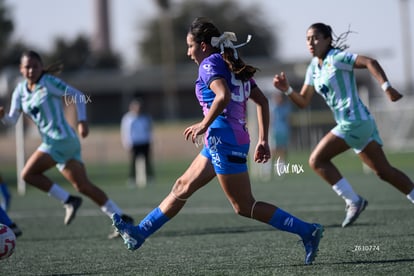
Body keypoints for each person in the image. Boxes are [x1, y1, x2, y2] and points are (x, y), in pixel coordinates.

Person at [112, 17, 323, 265]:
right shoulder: (229, 62)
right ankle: (139, 233)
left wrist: (203, 124)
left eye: (190, 46)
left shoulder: (209, 65)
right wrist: (262, 140)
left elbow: (222, 96)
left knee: (244, 206)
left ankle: (308, 231)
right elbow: (263, 101)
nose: (188, 52)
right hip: (223, 140)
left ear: (203, 45)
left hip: (224, 141)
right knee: (182, 187)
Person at [273, 22, 414, 228]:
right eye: (307, 39)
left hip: (354, 121)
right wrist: (287, 90)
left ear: (328, 40)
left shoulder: (337, 58)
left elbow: (369, 61)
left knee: (317, 160)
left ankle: (353, 201)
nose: (311, 43)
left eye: (316, 38)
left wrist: (387, 87)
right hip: (358, 123)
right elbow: (303, 101)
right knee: (384, 172)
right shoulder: (313, 66)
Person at [0, 50, 133, 239]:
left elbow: (78, 96)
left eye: (35, 66)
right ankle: (122, 218)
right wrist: (3, 116)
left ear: (41, 67)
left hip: (61, 140)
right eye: (27, 67)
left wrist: (82, 121)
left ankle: (69, 200)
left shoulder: (48, 83)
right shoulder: (19, 91)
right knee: (83, 186)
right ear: (21, 70)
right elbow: (12, 120)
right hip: (55, 143)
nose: (31, 70)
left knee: (28, 174)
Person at [120, 99, 154, 187]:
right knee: (133, 161)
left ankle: (149, 177)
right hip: (134, 143)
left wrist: (150, 140)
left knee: (147, 160)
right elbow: (125, 131)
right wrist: (127, 143)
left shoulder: (145, 117)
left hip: (144, 141)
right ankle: (132, 178)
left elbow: (149, 129)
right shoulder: (128, 118)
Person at [271, 92, 292, 176]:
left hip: (284, 131)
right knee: (273, 150)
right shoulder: (273, 107)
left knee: (283, 150)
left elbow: (288, 119)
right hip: (275, 131)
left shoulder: (286, 107)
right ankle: (267, 169)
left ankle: (280, 170)